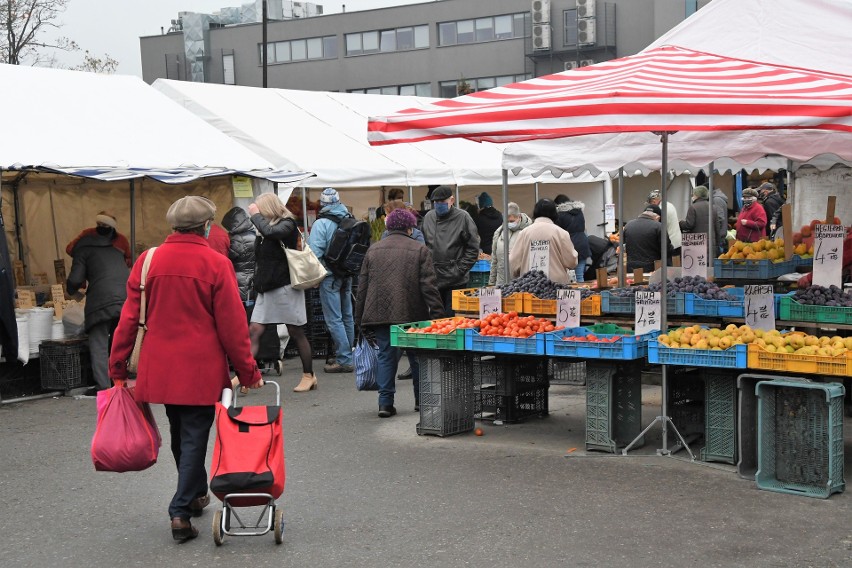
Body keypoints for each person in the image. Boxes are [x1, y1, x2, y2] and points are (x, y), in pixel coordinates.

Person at [108, 195, 263, 543]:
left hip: (159, 367)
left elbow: (129, 320)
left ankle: (194, 495)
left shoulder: (148, 261)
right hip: (200, 368)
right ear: (207, 226)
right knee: (193, 435)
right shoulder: (216, 263)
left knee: (182, 432)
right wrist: (249, 372)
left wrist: (117, 365)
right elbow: (233, 328)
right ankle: (180, 510)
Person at [355, 208, 444, 418]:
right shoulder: (420, 250)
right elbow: (429, 287)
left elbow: (362, 288)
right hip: (412, 312)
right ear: (410, 228)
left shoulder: (373, 250)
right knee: (416, 356)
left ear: (388, 227)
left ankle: (385, 404)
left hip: (380, 312)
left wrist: (360, 319)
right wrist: (439, 317)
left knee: (386, 355)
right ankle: (421, 401)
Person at [249, 193, 316, 391]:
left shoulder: (287, 224)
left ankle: (309, 375)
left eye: (260, 209)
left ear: (267, 208)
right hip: (266, 287)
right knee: (254, 330)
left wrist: (255, 215)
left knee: (295, 330)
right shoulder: (263, 229)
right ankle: (248, 374)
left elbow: (272, 233)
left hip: (285, 285)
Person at [66, 213, 130, 396]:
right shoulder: (116, 250)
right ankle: (121, 382)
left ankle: (103, 386)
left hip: (102, 300)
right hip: (125, 298)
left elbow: (76, 278)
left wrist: (70, 289)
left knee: (99, 342)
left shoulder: (82, 250)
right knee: (119, 342)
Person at [308, 187, 356, 373]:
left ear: (322, 203)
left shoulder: (321, 224)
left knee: (334, 319)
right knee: (347, 316)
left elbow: (315, 253)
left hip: (329, 275)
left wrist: (316, 276)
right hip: (347, 273)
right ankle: (349, 354)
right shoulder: (349, 218)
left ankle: (344, 359)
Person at [421, 185, 480, 314]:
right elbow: (423, 244)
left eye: (442, 202)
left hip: (456, 279)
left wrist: (459, 269)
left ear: (451, 200)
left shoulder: (463, 217)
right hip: (434, 278)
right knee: (437, 319)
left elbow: (473, 247)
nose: (438, 205)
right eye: (436, 202)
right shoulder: (428, 217)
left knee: (452, 318)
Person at [508, 199, 578, 284]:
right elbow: (571, 261)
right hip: (557, 285)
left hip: (529, 284)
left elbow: (513, 260)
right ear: (554, 213)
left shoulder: (524, 233)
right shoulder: (562, 233)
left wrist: (519, 273)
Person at [66, 211, 132, 268]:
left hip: (113, 275)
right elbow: (70, 249)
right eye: (98, 224)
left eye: (104, 225)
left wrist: (119, 262)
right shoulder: (88, 234)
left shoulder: (121, 240)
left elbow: (129, 260)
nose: (101, 227)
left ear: (112, 226)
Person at [489, 202, 532, 286]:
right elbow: (494, 259)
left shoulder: (529, 232)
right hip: (501, 283)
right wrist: (491, 283)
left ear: (519, 216)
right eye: (506, 221)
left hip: (521, 284)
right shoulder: (499, 232)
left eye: (512, 221)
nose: (509, 223)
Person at [221, 206, 256, 305]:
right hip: (252, 277)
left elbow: (229, 258)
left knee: (242, 306)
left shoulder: (238, 239)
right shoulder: (253, 234)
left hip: (241, 278)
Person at [554, 195, 592, 282]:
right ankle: (583, 294)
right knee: (579, 276)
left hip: (569, 244)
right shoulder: (579, 212)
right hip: (582, 243)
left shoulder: (560, 215)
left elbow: (558, 232)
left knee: (568, 277)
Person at [623, 205, 667, 272]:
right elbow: (666, 248)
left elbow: (623, 245)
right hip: (652, 268)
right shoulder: (659, 226)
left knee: (632, 282)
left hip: (631, 267)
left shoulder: (628, 225)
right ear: (658, 217)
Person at [648, 190, 682, 263]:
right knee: (676, 267)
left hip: (670, 243)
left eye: (650, 203)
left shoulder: (661, 209)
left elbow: (659, 227)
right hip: (677, 241)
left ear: (654, 201)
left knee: (670, 269)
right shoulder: (669, 204)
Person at [474, 192, 503, 256]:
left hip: (485, 251)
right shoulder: (500, 215)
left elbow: (474, 234)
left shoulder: (479, 218)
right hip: (498, 248)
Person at [712, 187, 729, 255]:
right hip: (721, 233)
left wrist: (716, 232)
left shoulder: (716, 200)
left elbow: (720, 218)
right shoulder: (718, 198)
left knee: (719, 257)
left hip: (720, 235)